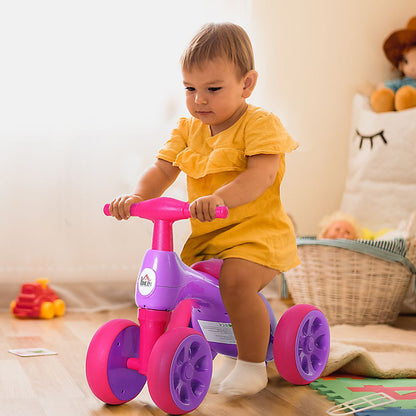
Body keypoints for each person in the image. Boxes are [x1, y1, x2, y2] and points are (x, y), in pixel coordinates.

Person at [109, 22, 300, 397]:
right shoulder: (187, 128)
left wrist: (221, 198)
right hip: (209, 241)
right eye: (190, 89)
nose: (200, 100)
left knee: (235, 283)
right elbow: (162, 169)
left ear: (246, 84)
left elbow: (261, 174)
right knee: (186, 287)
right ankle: (204, 351)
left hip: (256, 237)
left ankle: (251, 363)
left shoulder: (259, 124)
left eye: (213, 89)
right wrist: (136, 198)